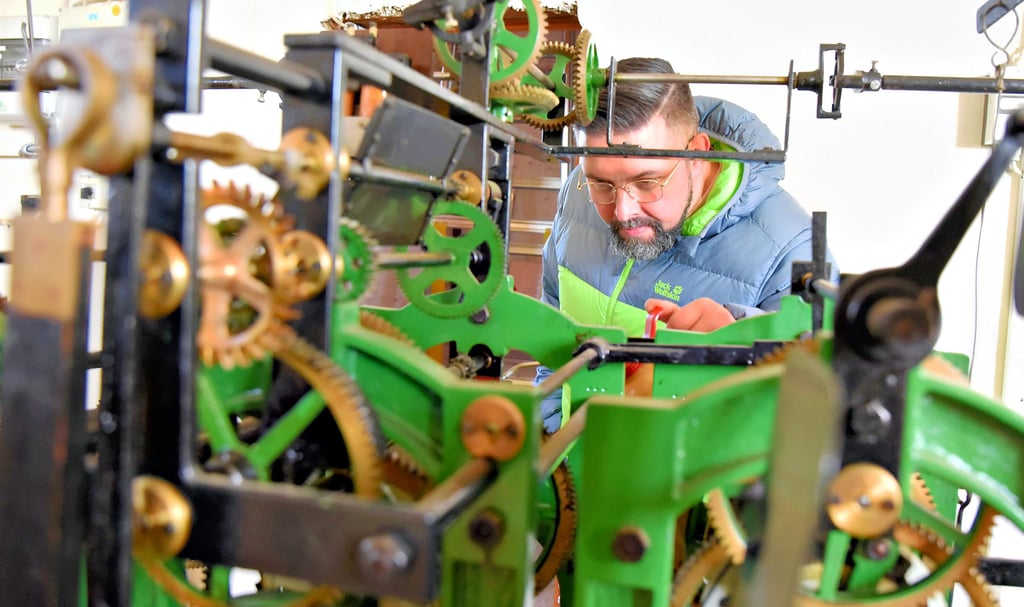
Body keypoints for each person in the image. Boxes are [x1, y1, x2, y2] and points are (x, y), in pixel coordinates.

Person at [536, 57, 837, 433]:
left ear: (697, 152)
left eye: (647, 183)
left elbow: (815, 420)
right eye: (601, 184)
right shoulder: (577, 196)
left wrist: (742, 341)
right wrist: (548, 447)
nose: (623, 211)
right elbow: (551, 350)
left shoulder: (792, 250)